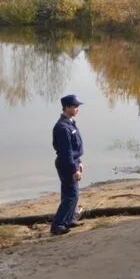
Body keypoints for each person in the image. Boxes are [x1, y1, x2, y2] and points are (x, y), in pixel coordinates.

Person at [51, 94, 84, 236]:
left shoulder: (70, 123)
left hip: (73, 161)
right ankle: (58, 224)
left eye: (78, 106)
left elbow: (75, 148)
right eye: (75, 106)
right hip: (66, 163)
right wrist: (73, 169)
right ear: (67, 108)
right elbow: (66, 152)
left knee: (70, 193)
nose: (77, 109)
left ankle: (68, 219)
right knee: (72, 194)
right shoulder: (62, 127)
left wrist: (79, 163)